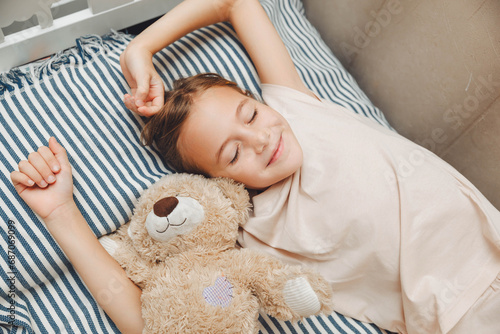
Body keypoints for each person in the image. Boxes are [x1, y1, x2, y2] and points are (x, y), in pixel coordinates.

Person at [10, 0, 500, 333]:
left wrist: (138, 51)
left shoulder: (299, 108)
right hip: (459, 316)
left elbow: (234, 4)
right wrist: (60, 214)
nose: (262, 139)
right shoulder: (254, 234)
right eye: (233, 153)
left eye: (250, 114)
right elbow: (150, 319)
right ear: (218, 181)